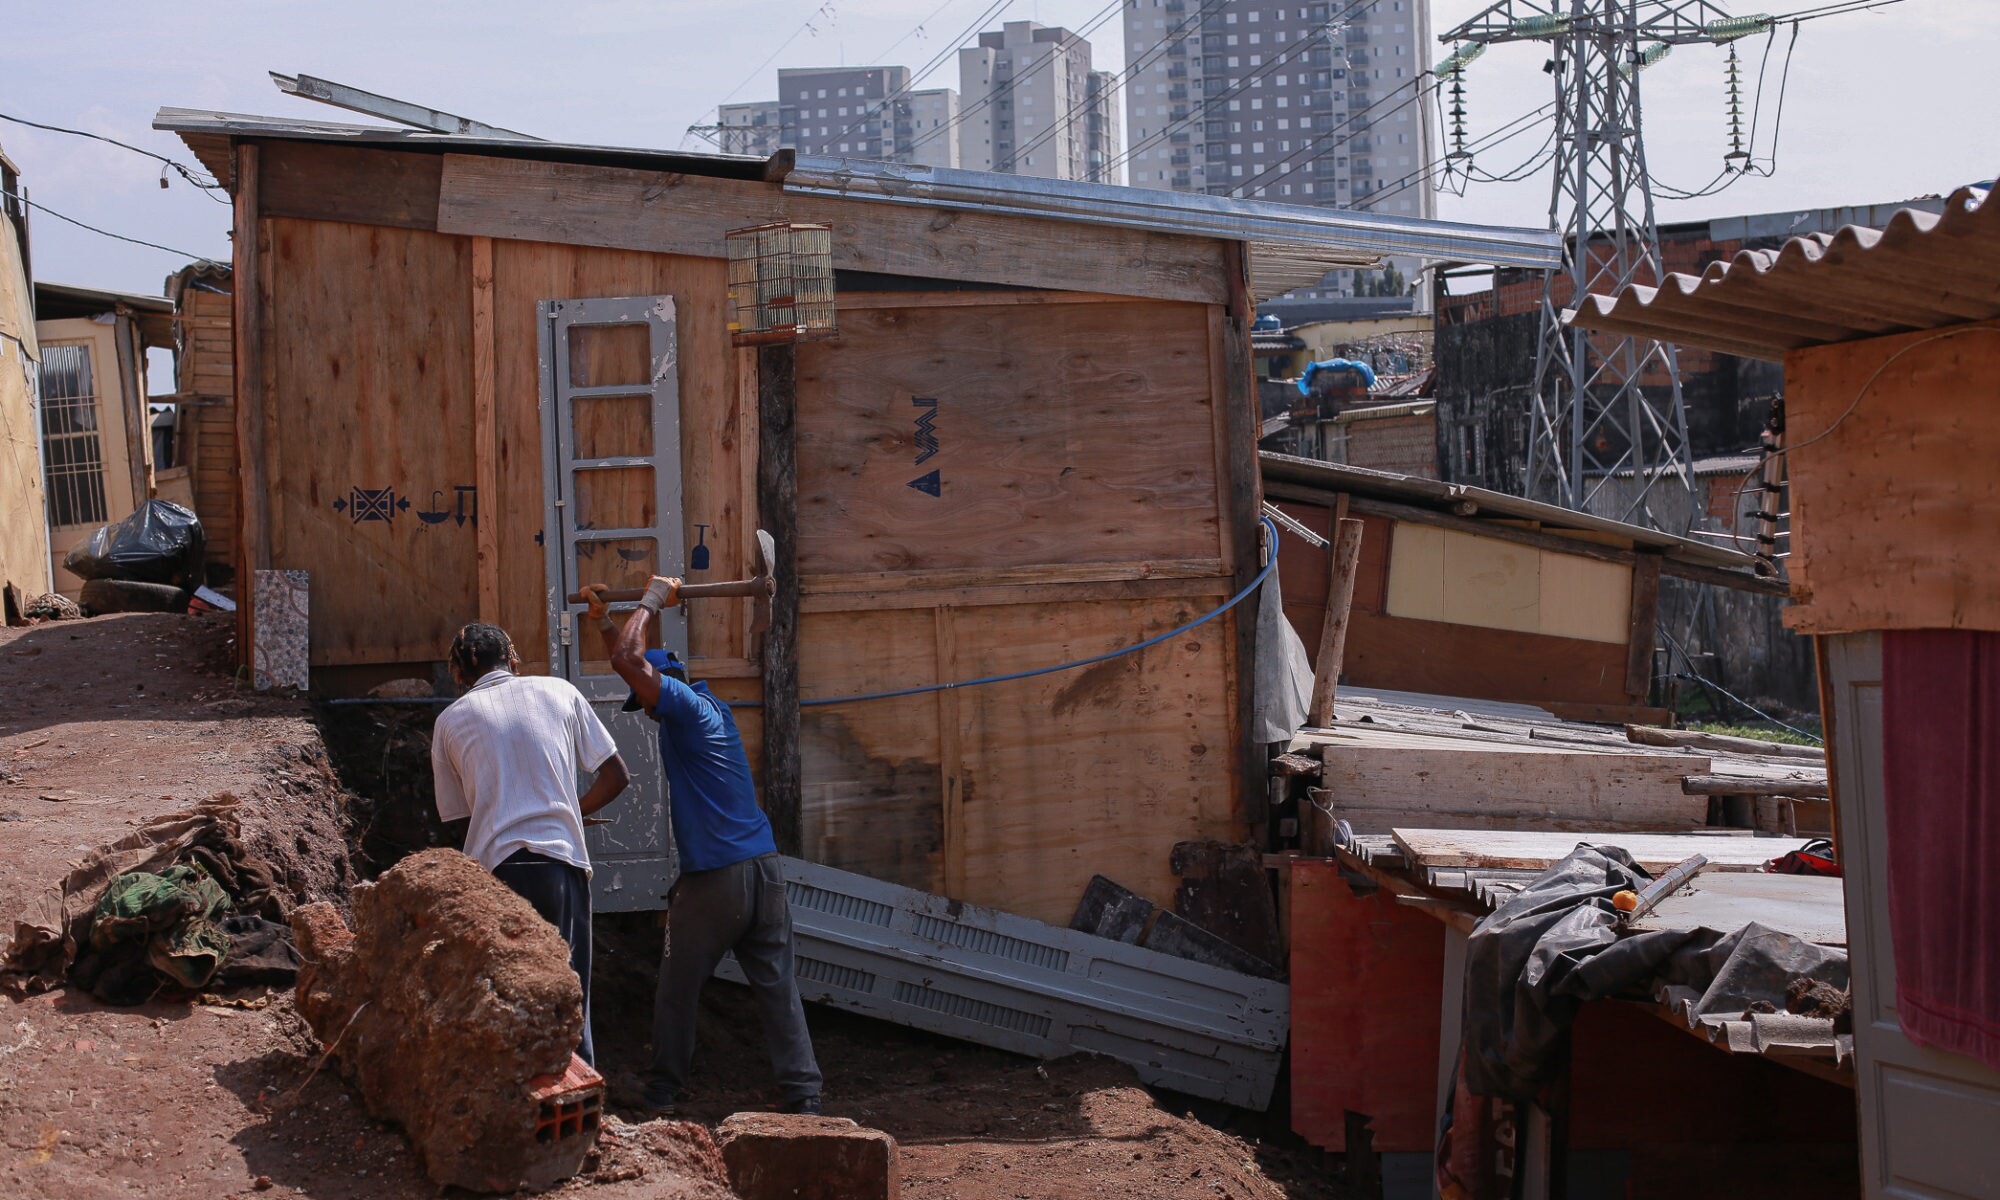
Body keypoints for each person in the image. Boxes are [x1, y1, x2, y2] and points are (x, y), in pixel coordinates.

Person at [583, 577, 823, 1116]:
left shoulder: (683, 710)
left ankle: (662, 1095)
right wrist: (602, 619)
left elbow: (629, 662)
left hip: (717, 877)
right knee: (778, 987)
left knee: (676, 988)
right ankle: (804, 1097)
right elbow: (633, 660)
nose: (643, 714)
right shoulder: (711, 710)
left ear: (662, 687)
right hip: (764, 869)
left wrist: (647, 599)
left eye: (644, 703)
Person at [431, 622, 630, 1067]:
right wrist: (567, 811)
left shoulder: (449, 721)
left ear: (458, 673)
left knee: (508, 999)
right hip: (562, 865)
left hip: (497, 876)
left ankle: (519, 1107)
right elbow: (616, 775)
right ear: (512, 657)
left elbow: (459, 823)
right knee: (570, 997)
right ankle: (582, 1111)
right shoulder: (560, 691)